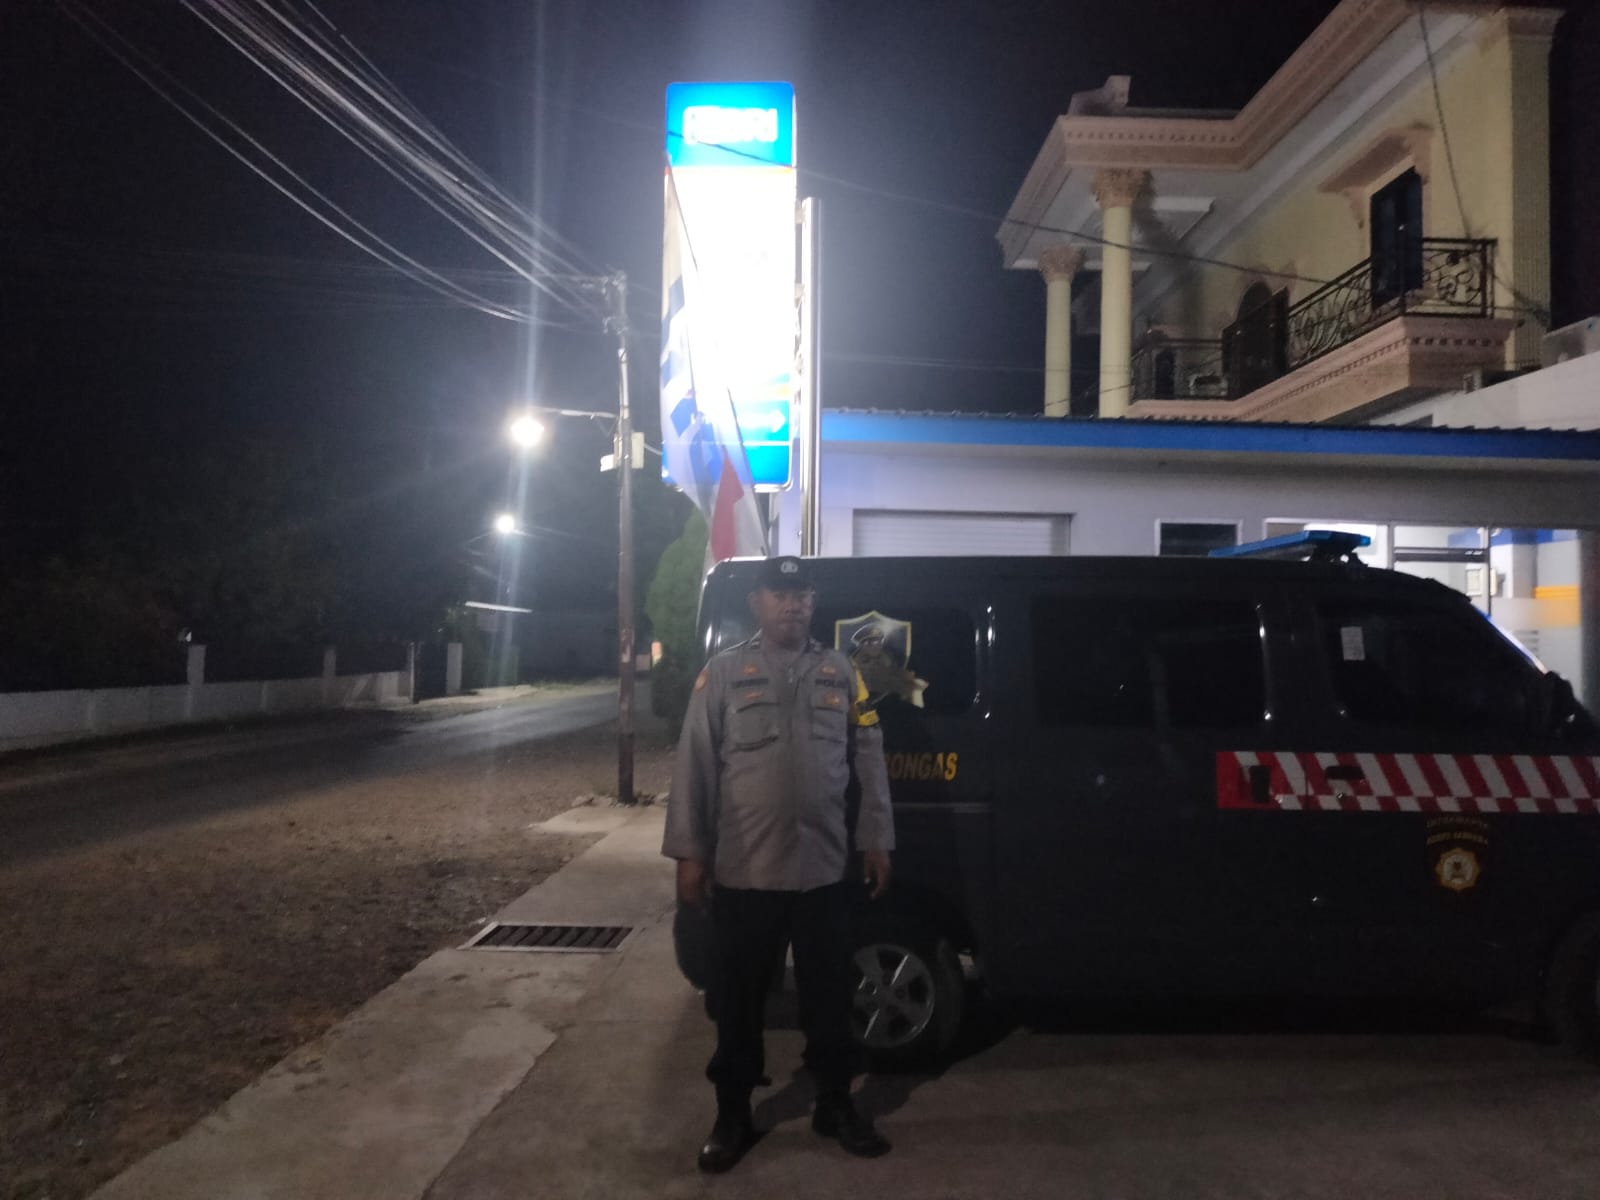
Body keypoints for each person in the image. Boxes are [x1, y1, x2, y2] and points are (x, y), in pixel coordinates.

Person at [664, 554, 895, 1173]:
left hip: (824, 871)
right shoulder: (723, 673)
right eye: (779, 594)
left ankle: (834, 1104)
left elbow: (869, 758)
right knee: (739, 1001)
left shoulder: (843, 672)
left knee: (829, 997)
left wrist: (876, 839)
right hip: (747, 872)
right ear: (757, 604)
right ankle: (732, 1114)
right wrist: (690, 854)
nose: (793, 604)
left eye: (803, 595)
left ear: (813, 604)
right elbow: (694, 765)